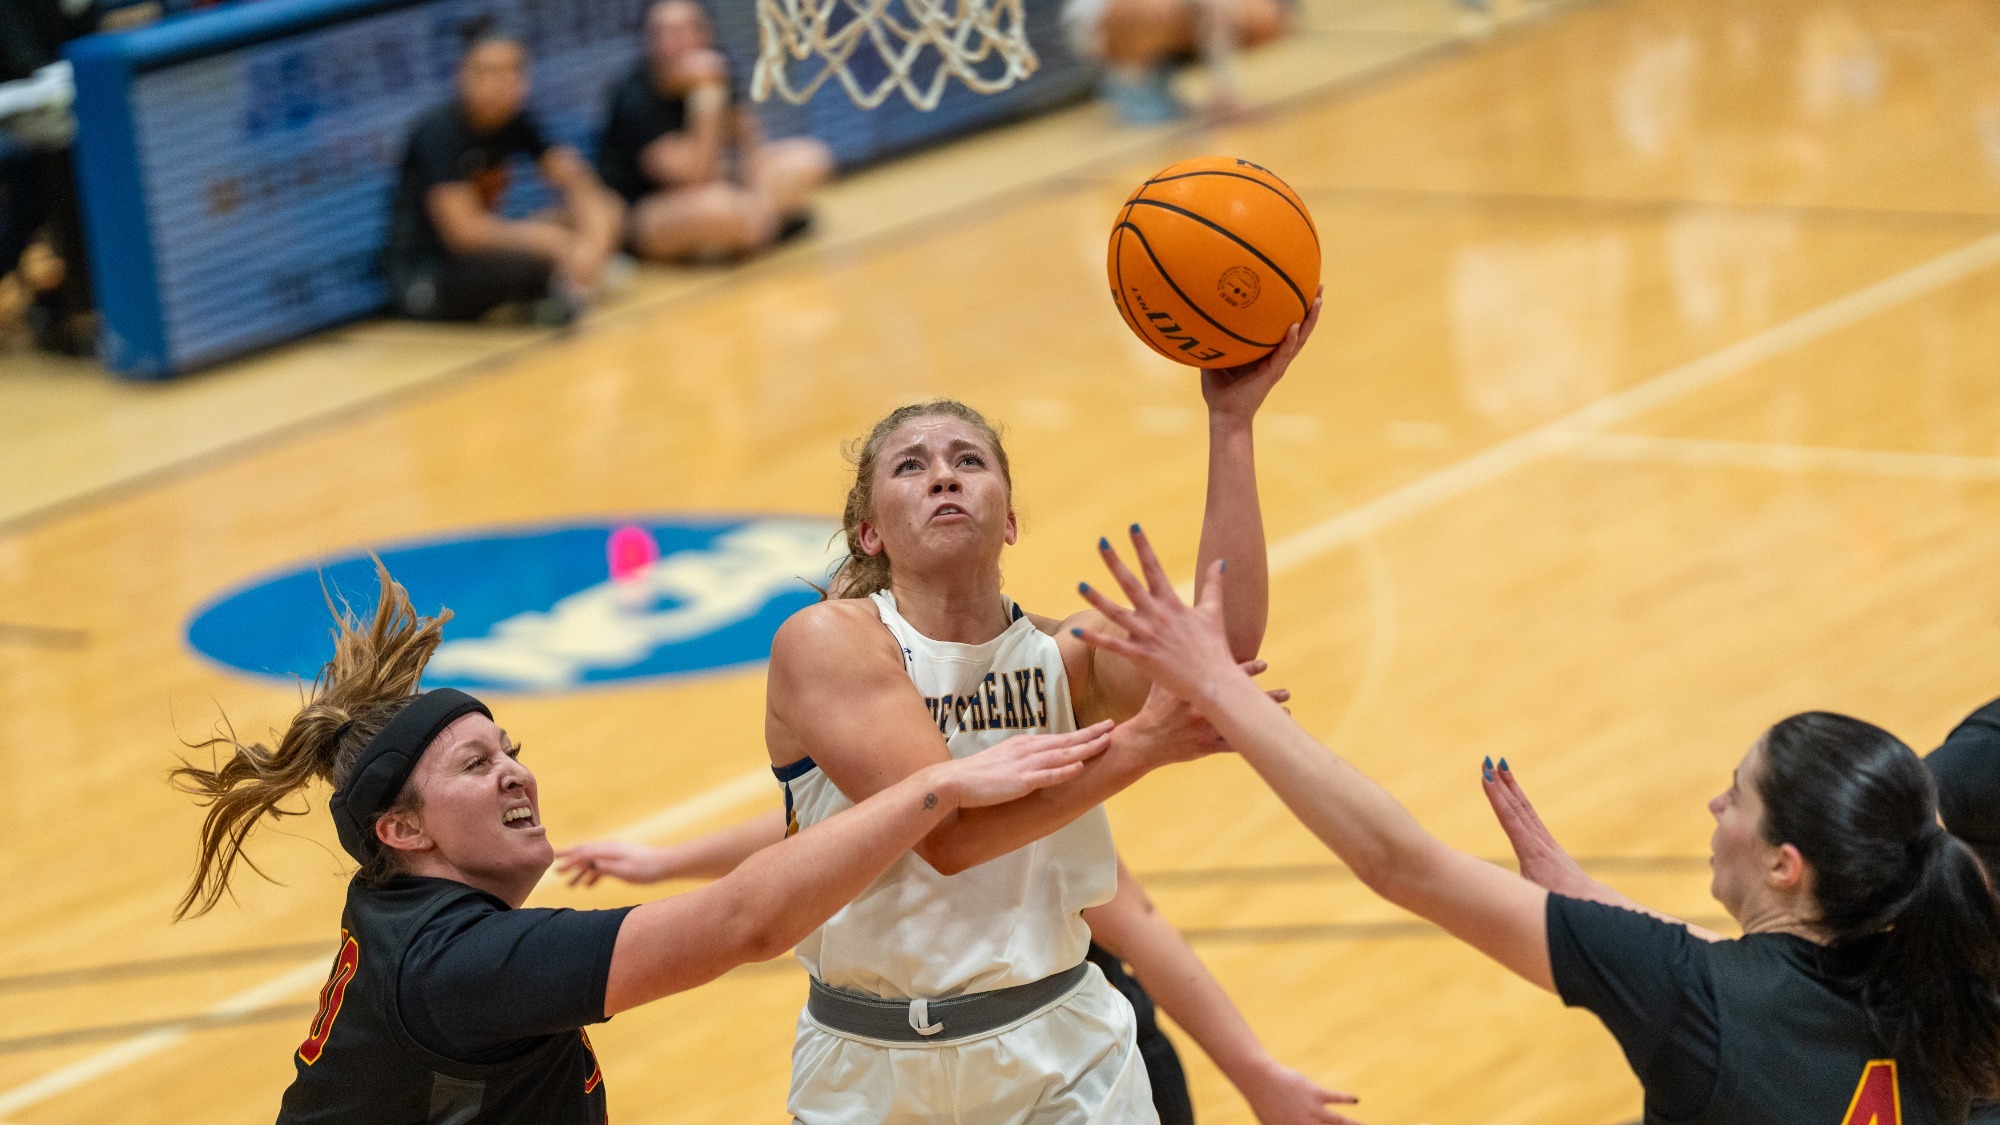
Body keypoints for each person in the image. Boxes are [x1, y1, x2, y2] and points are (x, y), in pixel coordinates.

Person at [1071, 532, 2000, 1124]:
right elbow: (1751, 982)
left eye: (1737, 796)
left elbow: (1399, 862)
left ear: (1787, 865)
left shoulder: (1693, 1001)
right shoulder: (1936, 988)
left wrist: (1218, 683)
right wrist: (1589, 900)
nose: (1716, 808)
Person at [169, 563, 1120, 1124]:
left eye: (511, 748)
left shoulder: (405, 919)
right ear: (402, 828)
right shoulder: (461, 965)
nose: (514, 772)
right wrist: (935, 784)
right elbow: (745, 921)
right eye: (474, 765)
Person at [752, 292, 1320, 1124]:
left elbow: (1220, 649)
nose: (943, 472)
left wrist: (1230, 424)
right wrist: (1142, 747)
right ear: (869, 533)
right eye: (910, 465)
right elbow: (946, 833)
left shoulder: (1062, 654)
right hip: (873, 1068)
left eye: (968, 460)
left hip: (1059, 1050)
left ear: (1010, 520)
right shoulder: (828, 642)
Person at [557, 812, 1361, 1125]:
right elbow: (800, 824)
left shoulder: (1020, 789)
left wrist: (1257, 1073)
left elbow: (1143, 928)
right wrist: (663, 862)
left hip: (1075, 1065)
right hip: (917, 1078)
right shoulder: (867, 781)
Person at [383, 18, 624, 325]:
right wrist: (553, 242)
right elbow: (464, 232)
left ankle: (574, 285)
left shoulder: (516, 122)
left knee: (607, 208)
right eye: (489, 72)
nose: (502, 82)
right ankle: (554, 293)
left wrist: (590, 244)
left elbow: (575, 179)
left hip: (481, 253)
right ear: (462, 75)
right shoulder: (438, 132)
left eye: (513, 71)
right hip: (427, 276)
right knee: (530, 260)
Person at [596, 0, 832, 262]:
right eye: (663, 33)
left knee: (809, 157)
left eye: (684, 30)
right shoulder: (635, 96)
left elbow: (754, 149)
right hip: (653, 209)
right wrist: (706, 95)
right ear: (649, 43)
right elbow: (696, 174)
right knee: (720, 207)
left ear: (705, 33)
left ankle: (748, 232)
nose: (674, 42)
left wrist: (759, 192)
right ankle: (758, 229)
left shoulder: (718, 65)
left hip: (719, 185)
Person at [1060, 0, 1290, 124]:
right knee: (1169, 10)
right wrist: (1225, 92)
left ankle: (1151, 78)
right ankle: (1129, 78)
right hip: (1099, 18)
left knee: (1265, 19)